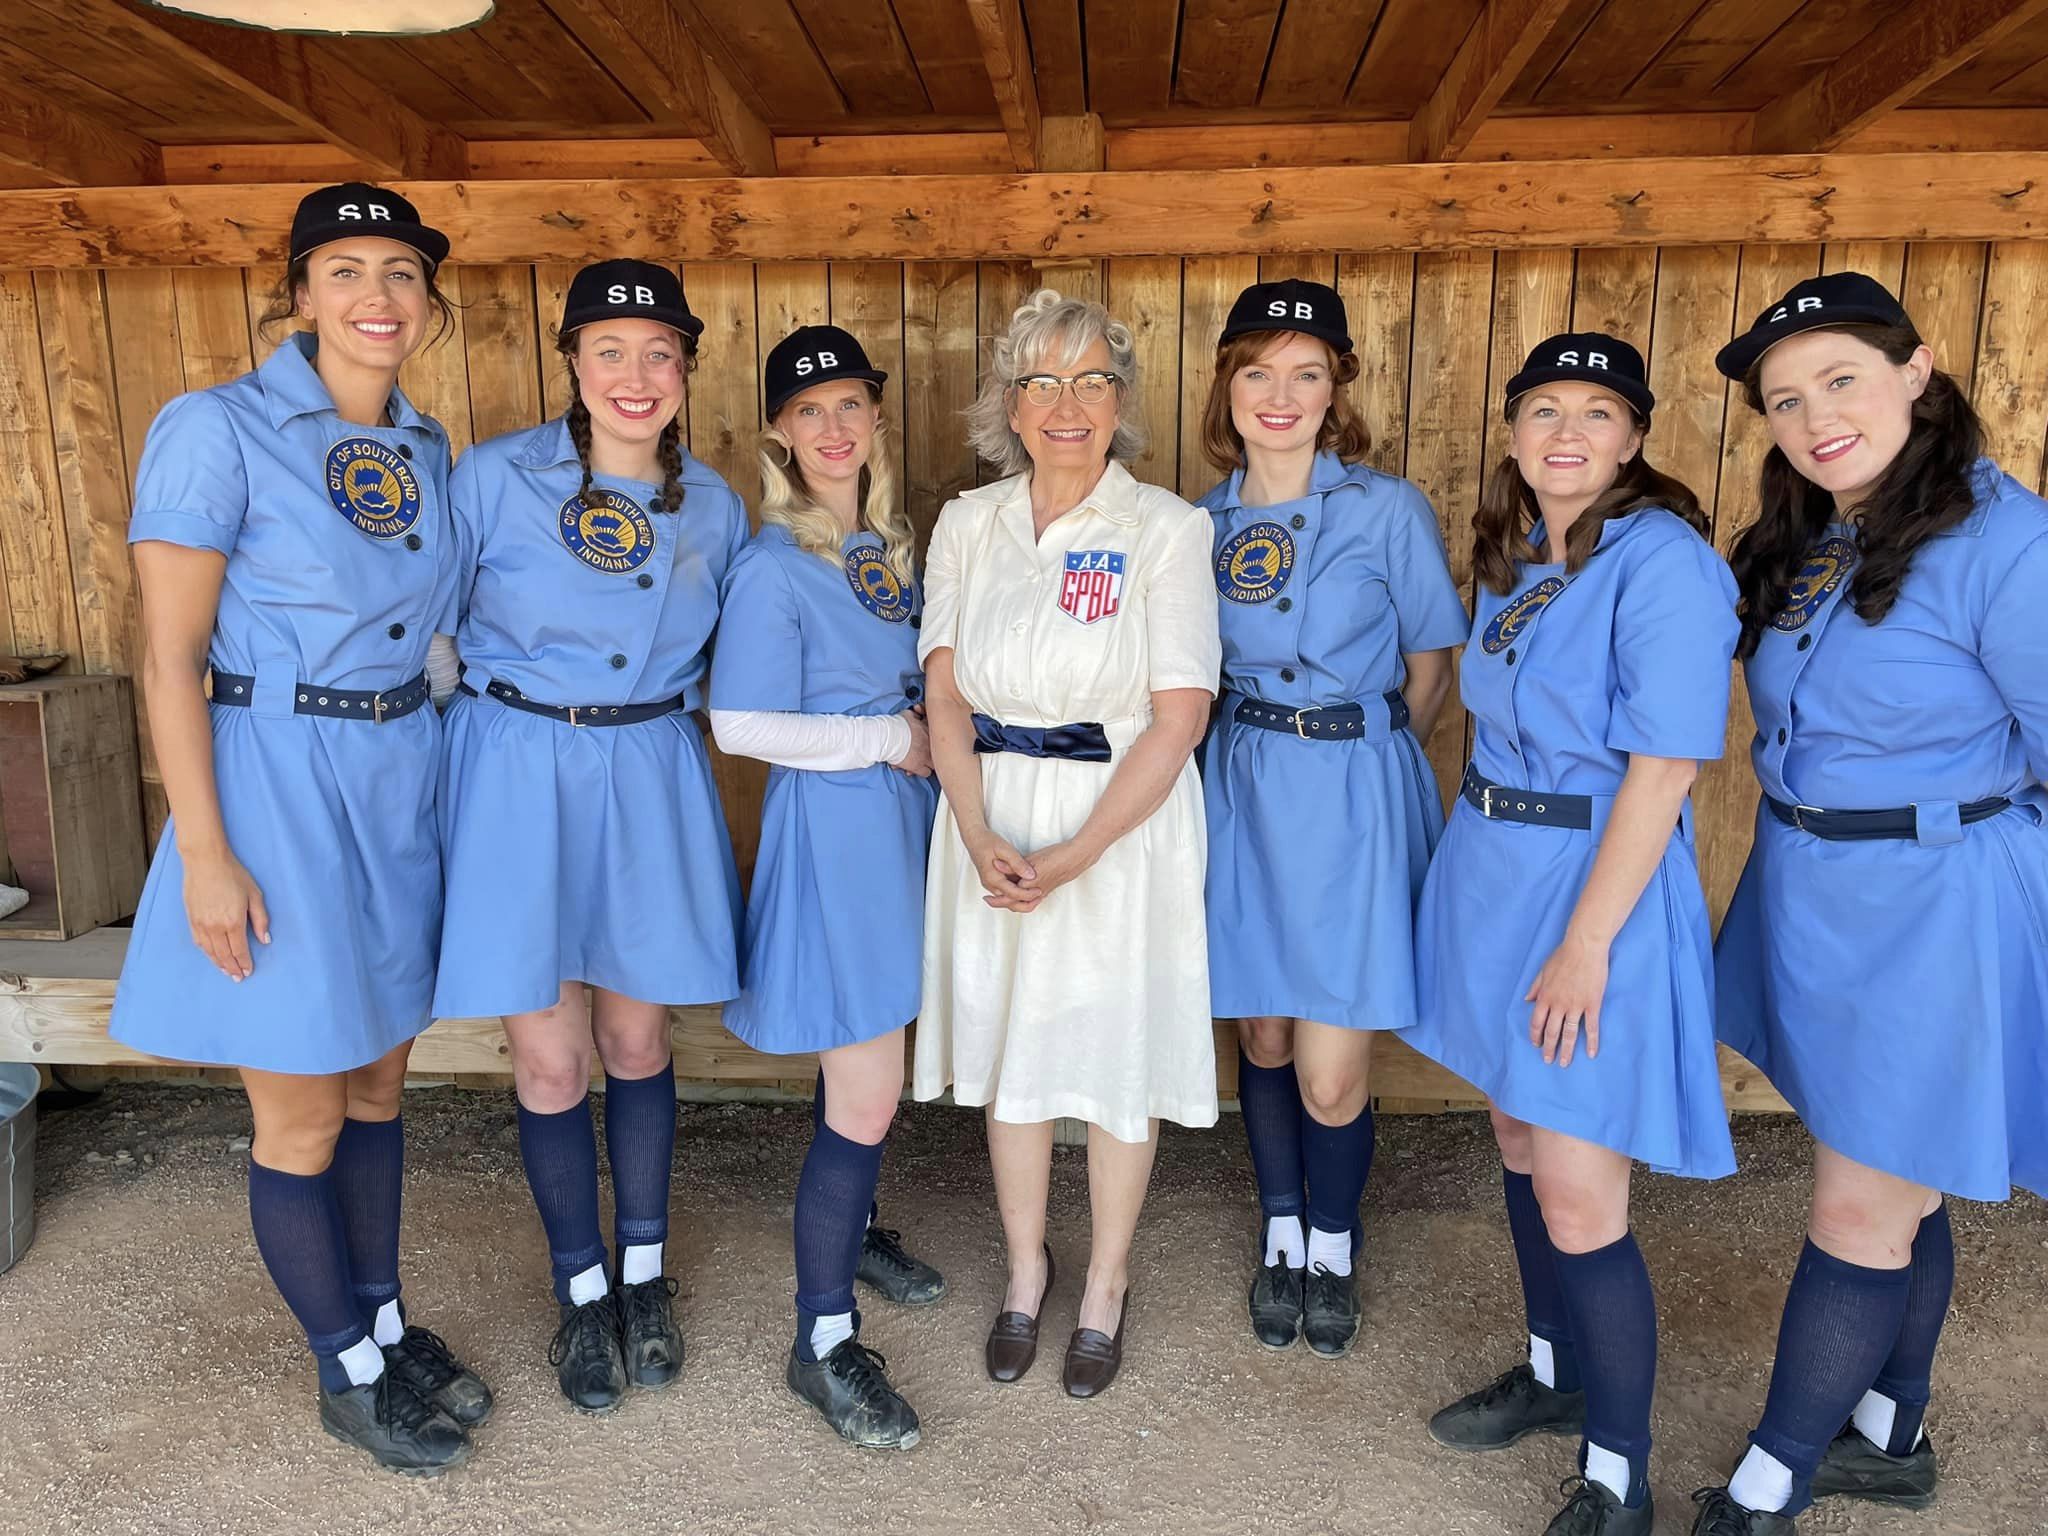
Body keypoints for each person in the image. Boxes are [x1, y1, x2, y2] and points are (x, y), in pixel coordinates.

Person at [111, 184, 489, 1474]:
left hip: (396, 776)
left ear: (428, 306)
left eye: (400, 272)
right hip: (271, 780)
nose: (375, 296)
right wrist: (205, 853)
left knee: (381, 1085)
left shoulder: (426, 449)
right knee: (302, 1117)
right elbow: (167, 663)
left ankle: (381, 1318)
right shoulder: (216, 429)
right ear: (299, 294)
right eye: (345, 269)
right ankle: (345, 1369)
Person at [1689, 277, 2048, 1535]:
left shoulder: (2006, 541)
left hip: (1934, 909)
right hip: (1817, 891)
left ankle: (1771, 1476)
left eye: (1839, 378)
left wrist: (1998, 897)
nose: (1811, 415)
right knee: (1902, 1172)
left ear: (1917, 369)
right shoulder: (1821, 530)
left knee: (1856, 1199)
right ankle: (1891, 1427)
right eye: (1783, 399)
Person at [1403, 335, 1740, 1535]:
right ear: (1508, 433)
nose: (1565, 433)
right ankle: (1554, 1374)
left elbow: (1661, 771)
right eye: (1543, 408)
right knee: (1514, 1129)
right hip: (1493, 868)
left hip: (1588, 888)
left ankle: (1617, 1471)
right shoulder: (1519, 553)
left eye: (1596, 413)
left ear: (1634, 439)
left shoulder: (1662, 564)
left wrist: (1587, 943)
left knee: (1580, 1189)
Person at [433, 260, 746, 1416]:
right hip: (518, 766)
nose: (634, 374)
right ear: (570, 360)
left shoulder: (712, 501)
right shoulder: (491, 478)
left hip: (647, 767)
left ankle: (647, 1275)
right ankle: (580, 1288)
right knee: (549, 1055)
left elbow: (733, 658)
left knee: (636, 1040)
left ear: (683, 371)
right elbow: (428, 628)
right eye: (608, 349)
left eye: (658, 352)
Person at [915, 288, 1221, 1399]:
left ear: (1121, 401)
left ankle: (1106, 1282)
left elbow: (1179, 715)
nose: (1065, 403)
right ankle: (1024, 1268)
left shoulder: (1167, 529)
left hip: (1119, 825)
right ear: (1008, 399)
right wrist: (976, 823)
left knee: (1112, 1058)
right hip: (991, 813)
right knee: (1014, 1055)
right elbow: (942, 692)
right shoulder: (967, 522)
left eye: (1091, 379)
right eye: (1040, 380)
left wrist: (1078, 852)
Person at [1195, 279, 1465, 1357]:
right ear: (1228, 384)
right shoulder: (1196, 522)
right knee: (1260, 1030)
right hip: (1244, 782)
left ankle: (1334, 1246)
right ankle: (1279, 1232)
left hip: (1352, 786)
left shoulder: (1384, 510)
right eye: (1257, 370)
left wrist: (1365, 750)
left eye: (1305, 373)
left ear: (1334, 389)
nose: (1279, 393)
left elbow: (1431, 665)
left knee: (1330, 1064)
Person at [710, 325, 946, 1451]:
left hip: (903, 822)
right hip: (843, 826)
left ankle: (853, 1232)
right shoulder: (771, 562)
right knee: (864, 1085)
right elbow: (742, 724)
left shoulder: (886, 546)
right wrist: (885, 742)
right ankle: (819, 1341)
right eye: (810, 411)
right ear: (779, 432)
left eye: (850, 404)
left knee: (873, 1060)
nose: (834, 427)